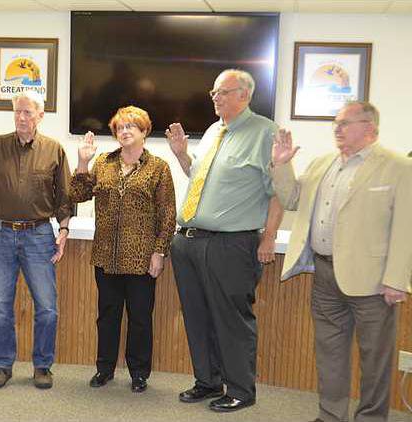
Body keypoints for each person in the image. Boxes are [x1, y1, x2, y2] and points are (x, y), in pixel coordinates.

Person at [271, 101, 412, 422]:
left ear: (370, 128)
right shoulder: (323, 163)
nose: (337, 128)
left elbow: (407, 226)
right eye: (336, 122)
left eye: (345, 123)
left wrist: (396, 279)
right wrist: (281, 166)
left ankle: (371, 418)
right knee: (329, 353)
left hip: (374, 281)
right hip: (324, 274)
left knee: (375, 357)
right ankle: (331, 415)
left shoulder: (398, 166)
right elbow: (292, 199)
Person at [165, 69, 283, 412]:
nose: (215, 98)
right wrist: (181, 155)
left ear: (244, 95)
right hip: (189, 242)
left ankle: (241, 390)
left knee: (231, 320)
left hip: (230, 245)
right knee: (197, 317)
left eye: (223, 92)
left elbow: (279, 192)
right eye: (214, 92)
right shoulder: (215, 131)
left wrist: (269, 237)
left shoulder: (265, 132)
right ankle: (208, 380)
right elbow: (199, 180)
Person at [0, 90, 72, 390]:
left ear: (40, 116)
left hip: (38, 235)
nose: (21, 118)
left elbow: (64, 198)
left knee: (47, 307)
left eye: (28, 113)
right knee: (0, 306)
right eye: (18, 112)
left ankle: (43, 366)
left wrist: (63, 231)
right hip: (0, 235)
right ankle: (2, 365)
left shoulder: (54, 150)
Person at [70, 106, 176, 393]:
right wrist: (82, 162)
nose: (125, 131)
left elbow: (168, 215)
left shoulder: (159, 168)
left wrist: (159, 252)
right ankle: (104, 369)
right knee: (107, 315)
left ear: (144, 132)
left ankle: (139, 373)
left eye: (132, 126)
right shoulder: (103, 162)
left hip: (142, 259)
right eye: (120, 127)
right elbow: (77, 194)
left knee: (140, 319)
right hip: (106, 256)